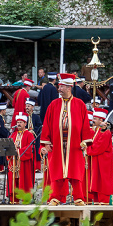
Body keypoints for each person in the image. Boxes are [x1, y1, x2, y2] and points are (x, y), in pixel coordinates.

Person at [40, 73, 93, 206]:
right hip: (57, 144)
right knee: (57, 172)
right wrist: (46, 143)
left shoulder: (80, 104)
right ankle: (55, 197)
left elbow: (85, 125)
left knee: (75, 172)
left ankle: (78, 197)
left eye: (62, 86)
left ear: (69, 87)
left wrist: (85, 141)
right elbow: (46, 124)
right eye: (59, 86)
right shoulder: (53, 104)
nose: (59, 89)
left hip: (74, 144)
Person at [87, 108, 113, 205]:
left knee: (103, 183)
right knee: (96, 183)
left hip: (103, 162)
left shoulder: (105, 132)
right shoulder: (97, 131)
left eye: (95, 118)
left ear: (101, 120)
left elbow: (98, 147)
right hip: (97, 161)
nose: (92, 120)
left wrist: (87, 150)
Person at [6, 113, 35, 204]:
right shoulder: (12, 135)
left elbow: (31, 149)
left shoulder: (29, 135)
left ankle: (26, 200)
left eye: (21, 122)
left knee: (24, 181)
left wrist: (18, 151)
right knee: (13, 181)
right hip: (13, 163)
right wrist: (10, 152)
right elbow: (7, 149)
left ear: (25, 123)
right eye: (18, 122)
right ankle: (14, 200)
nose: (18, 124)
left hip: (23, 163)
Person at [25, 99, 43, 172]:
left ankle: (37, 167)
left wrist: (33, 131)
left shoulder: (36, 117)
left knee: (36, 151)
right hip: (27, 136)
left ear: (32, 107)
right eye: (26, 106)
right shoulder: (24, 117)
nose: (27, 107)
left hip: (35, 137)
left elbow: (39, 126)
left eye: (28, 106)